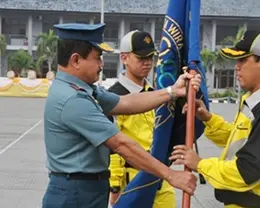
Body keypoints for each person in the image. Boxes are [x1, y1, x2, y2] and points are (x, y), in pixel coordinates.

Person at [42, 23, 200, 208]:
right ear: (76, 60)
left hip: (86, 188)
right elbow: (120, 144)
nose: (101, 65)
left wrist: (172, 91)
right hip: (75, 193)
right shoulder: (73, 99)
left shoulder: (83, 90)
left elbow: (125, 102)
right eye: (97, 58)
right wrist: (171, 175)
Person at [170, 30, 260, 208]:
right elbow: (239, 141)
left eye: (243, 60)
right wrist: (208, 119)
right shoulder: (257, 100)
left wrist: (200, 164)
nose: (236, 66)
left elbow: (247, 171)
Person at [107, 30, 175, 207]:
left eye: (150, 57)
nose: (147, 63)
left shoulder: (155, 94)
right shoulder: (113, 97)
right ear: (124, 58)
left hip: (161, 179)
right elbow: (111, 145)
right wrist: (114, 186)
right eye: (141, 58)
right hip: (132, 182)